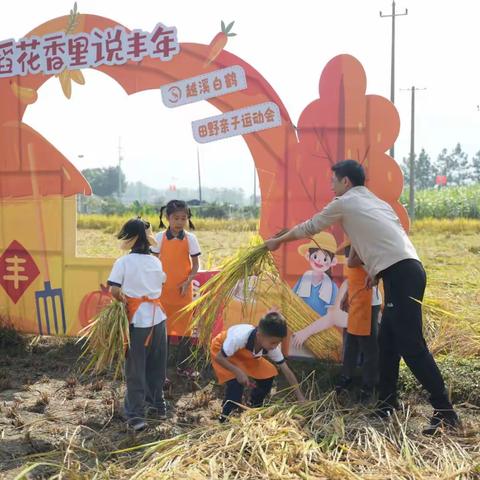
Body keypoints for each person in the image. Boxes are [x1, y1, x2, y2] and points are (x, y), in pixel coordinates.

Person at [265, 159, 460, 435]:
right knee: (387, 343)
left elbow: (310, 227)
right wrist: (376, 272)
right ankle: (386, 404)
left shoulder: (345, 202)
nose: (331, 186)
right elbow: (384, 239)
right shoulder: (374, 203)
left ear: (346, 182)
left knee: (412, 346)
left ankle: (445, 411)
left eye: (333, 181)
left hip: (402, 275)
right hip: (405, 271)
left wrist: (278, 241)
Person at [107, 218, 168, 432]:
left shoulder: (123, 262)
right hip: (159, 319)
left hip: (137, 321)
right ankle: (158, 406)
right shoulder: (155, 262)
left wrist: (123, 301)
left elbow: (114, 290)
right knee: (156, 365)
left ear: (129, 239)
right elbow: (160, 283)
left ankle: (135, 415)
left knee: (135, 368)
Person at [210, 312, 306, 422]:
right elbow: (219, 358)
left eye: (278, 343)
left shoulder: (271, 347)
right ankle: (225, 418)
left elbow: (287, 371)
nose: (275, 346)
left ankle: (255, 406)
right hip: (222, 352)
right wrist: (238, 372)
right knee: (235, 387)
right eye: (273, 342)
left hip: (246, 356)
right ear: (259, 335)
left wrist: (300, 397)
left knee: (268, 375)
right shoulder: (239, 337)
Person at [151, 200, 201, 378]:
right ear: (167, 218)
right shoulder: (158, 238)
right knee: (161, 331)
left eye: (183, 218)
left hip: (183, 292)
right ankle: (160, 369)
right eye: (176, 218)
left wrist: (188, 282)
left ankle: (183, 366)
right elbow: (153, 263)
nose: (180, 222)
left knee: (186, 331)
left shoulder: (190, 239)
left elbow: (195, 265)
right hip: (163, 292)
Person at [335, 244, 381, 401]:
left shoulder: (367, 245)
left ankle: (368, 387)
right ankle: (346, 378)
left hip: (368, 303)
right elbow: (354, 273)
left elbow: (351, 263)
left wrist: (357, 243)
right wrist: (346, 295)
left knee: (369, 348)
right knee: (350, 343)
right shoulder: (356, 242)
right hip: (355, 300)